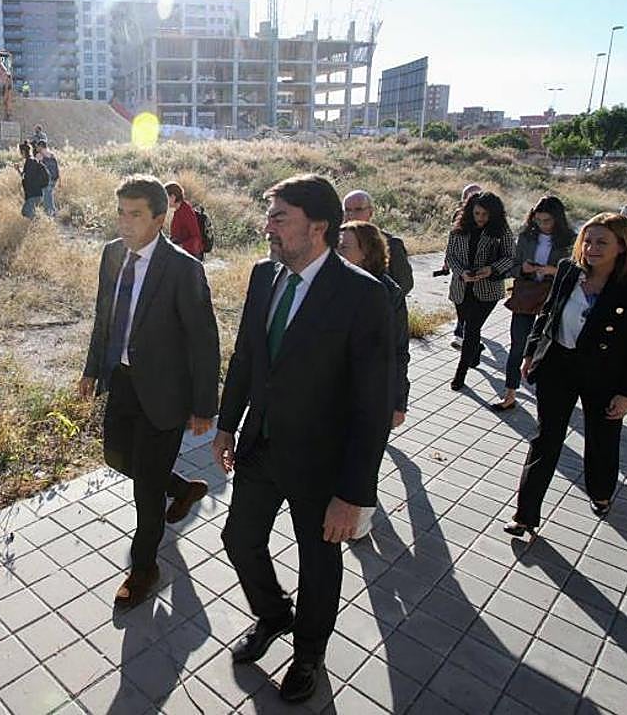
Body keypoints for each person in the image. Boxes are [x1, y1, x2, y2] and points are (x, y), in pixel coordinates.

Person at [213, 174, 392, 703]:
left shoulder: (364, 296)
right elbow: (247, 357)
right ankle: (274, 615)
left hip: (322, 466)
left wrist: (353, 493)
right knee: (239, 540)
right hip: (260, 448)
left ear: (318, 227)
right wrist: (226, 424)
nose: (266, 227)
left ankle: (309, 653)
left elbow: (372, 407)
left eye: (278, 218)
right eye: (269, 216)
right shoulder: (264, 275)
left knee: (319, 563)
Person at [79, 175, 220, 609]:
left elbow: (203, 340)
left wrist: (203, 406)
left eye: (135, 214)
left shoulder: (183, 268)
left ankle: (144, 568)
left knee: (145, 492)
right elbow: (104, 318)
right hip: (121, 382)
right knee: (117, 457)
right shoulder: (110, 255)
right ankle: (180, 489)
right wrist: (90, 370)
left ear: (160, 218)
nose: (125, 222)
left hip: (165, 393)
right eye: (121, 212)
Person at [505, 213, 627, 537]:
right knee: (546, 440)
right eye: (587, 241)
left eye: (602, 242)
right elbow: (548, 313)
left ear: (622, 246)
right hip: (557, 367)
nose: (591, 248)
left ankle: (601, 494)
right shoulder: (568, 270)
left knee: (602, 439)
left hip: (606, 376)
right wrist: (532, 352)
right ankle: (525, 515)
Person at [336, 221, 410, 542]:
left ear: (367, 254)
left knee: (364, 465)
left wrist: (397, 402)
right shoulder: (330, 285)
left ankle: (359, 524)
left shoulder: (388, 294)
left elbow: (399, 353)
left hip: (371, 399)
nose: (337, 252)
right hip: (334, 396)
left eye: (345, 248)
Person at [493, 196, 576, 411]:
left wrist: (553, 270)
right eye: (538, 220)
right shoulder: (526, 237)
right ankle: (510, 393)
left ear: (557, 219)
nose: (542, 225)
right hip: (526, 295)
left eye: (547, 220)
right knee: (517, 344)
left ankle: (545, 396)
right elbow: (513, 266)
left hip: (553, 299)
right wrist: (524, 269)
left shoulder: (571, 240)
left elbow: (579, 272)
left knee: (546, 349)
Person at [444, 191, 515, 391]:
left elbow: (510, 257)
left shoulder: (502, 231)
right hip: (461, 286)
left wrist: (491, 269)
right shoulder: (458, 229)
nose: (481, 218)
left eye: (485, 214)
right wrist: (461, 273)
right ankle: (474, 351)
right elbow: (450, 255)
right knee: (466, 325)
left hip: (487, 289)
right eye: (477, 214)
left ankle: (460, 374)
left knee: (473, 328)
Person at [341, 190, 414, 296]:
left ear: (370, 212)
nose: (351, 215)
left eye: (358, 210)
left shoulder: (391, 244)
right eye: (347, 210)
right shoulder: (335, 243)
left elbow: (404, 283)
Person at [449, 182, 484, 349]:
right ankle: (461, 330)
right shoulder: (458, 216)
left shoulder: (490, 220)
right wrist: (449, 264)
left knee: (474, 311)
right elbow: (451, 247)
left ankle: (467, 336)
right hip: (461, 273)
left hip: (482, 277)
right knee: (461, 303)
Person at [165, 182, 204, 260]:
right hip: (182, 253)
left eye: (165, 197)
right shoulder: (178, 210)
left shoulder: (186, 211)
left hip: (191, 256)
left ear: (173, 197)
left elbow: (196, 238)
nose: (164, 201)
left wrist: (180, 246)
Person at [15, 141, 48, 218]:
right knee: (27, 212)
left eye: (20, 152)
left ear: (23, 152)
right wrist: (18, 170)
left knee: (27, 212)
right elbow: (26, 176)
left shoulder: (30, 162)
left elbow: (27, 178)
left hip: (33, 194)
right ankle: (37, 225)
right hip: (35, 194)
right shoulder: (31, 161)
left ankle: (39, 226)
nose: (20, 154)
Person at [36, 140, 60, 215]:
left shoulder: (39, 155)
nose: (36, 148)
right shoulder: (52, 154)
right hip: (54, 178)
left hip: (47, 179)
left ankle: (50, 213)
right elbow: (57, 167)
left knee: (47, 198)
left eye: (37, 146)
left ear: (41, 146)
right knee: (49, 196)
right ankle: (53, 212)